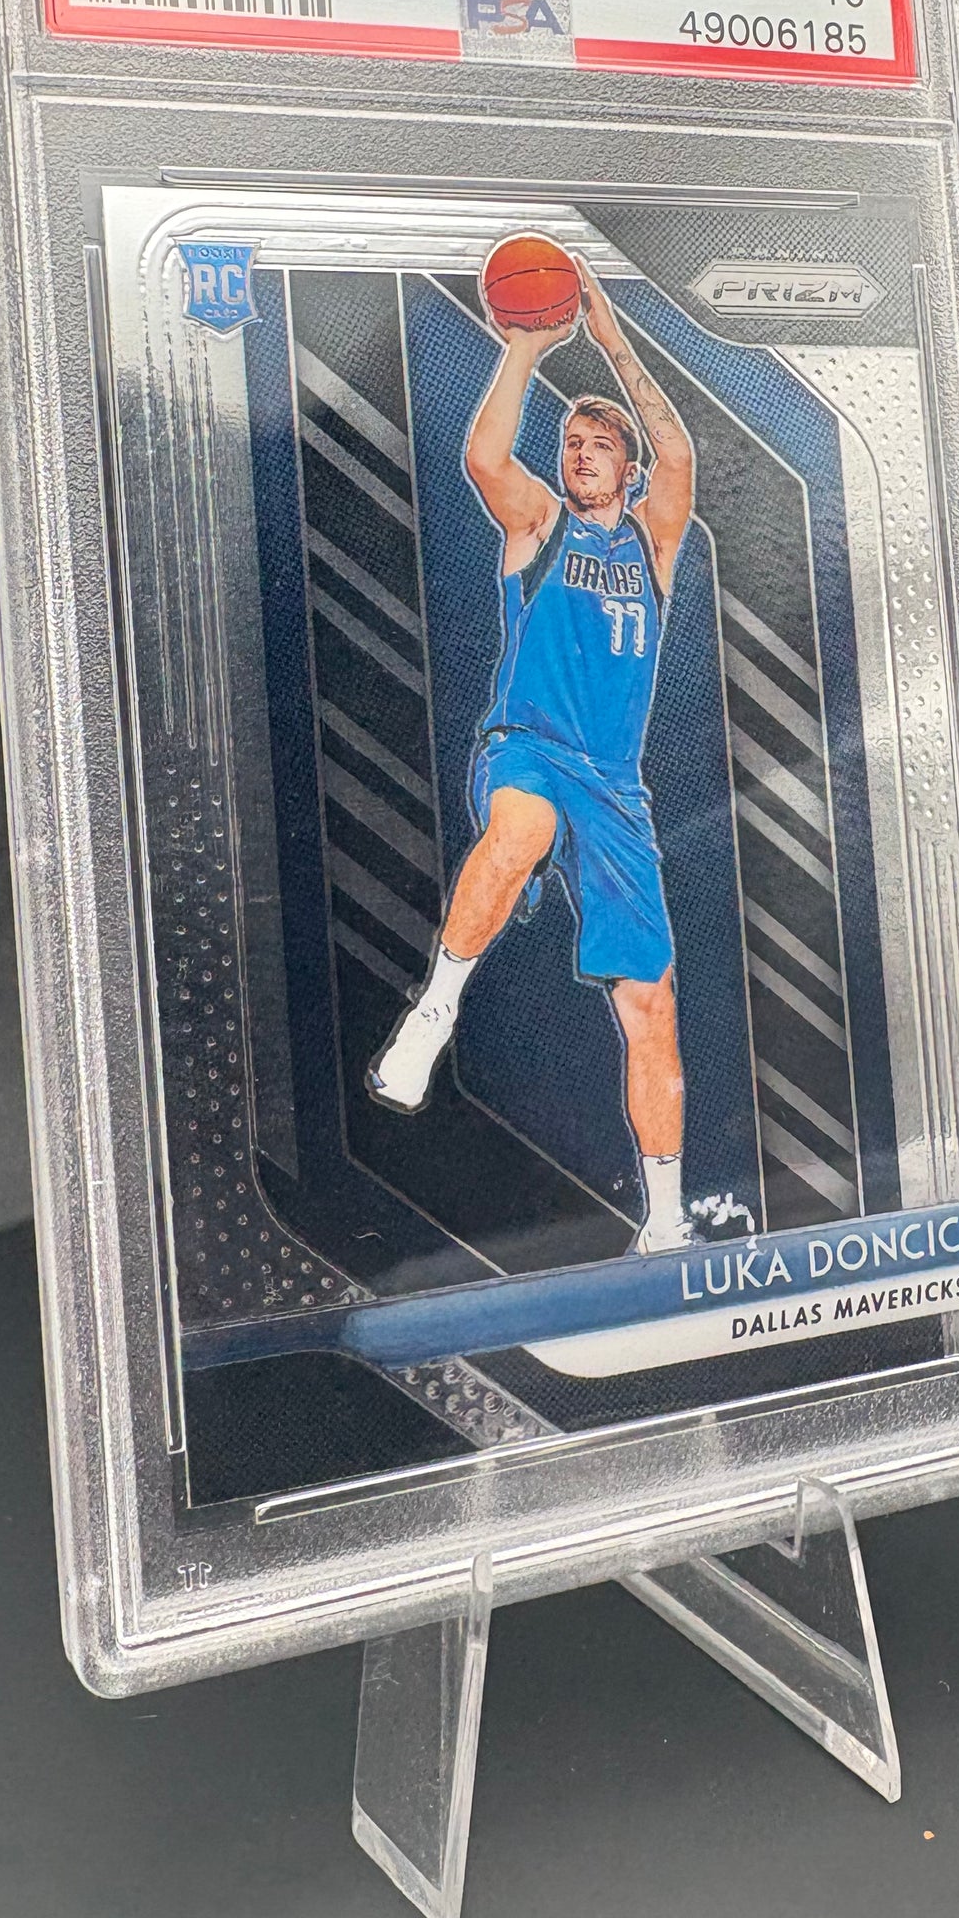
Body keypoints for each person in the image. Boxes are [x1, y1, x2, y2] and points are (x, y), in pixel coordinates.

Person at [369, 258, 699, 1255]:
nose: (582, 453)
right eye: (572, 443)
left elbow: (679, 451)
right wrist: (523, 346)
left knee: (651, 1006)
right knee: (521, 829)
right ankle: (434, 1012)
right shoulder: (539, 525)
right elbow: (483, 455)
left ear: (627, 471)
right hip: (529, 750)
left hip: (617, 791)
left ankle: (667, 1223)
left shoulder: (653, 543)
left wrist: (608, 333)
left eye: (600, 445)